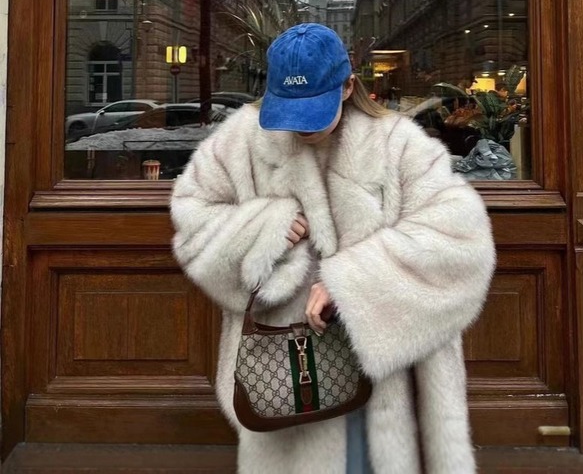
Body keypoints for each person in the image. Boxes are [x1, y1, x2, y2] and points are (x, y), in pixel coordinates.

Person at [170, 24, 495, 474]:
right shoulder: (241, 139)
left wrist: (351, 284)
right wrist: (264, 228)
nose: (301, 125)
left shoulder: (397, 142)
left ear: (347, 87)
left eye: (313, 109)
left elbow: (459, 235)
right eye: (289, 109)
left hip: (382, 376)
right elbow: (193, 217)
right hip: (286, 371)